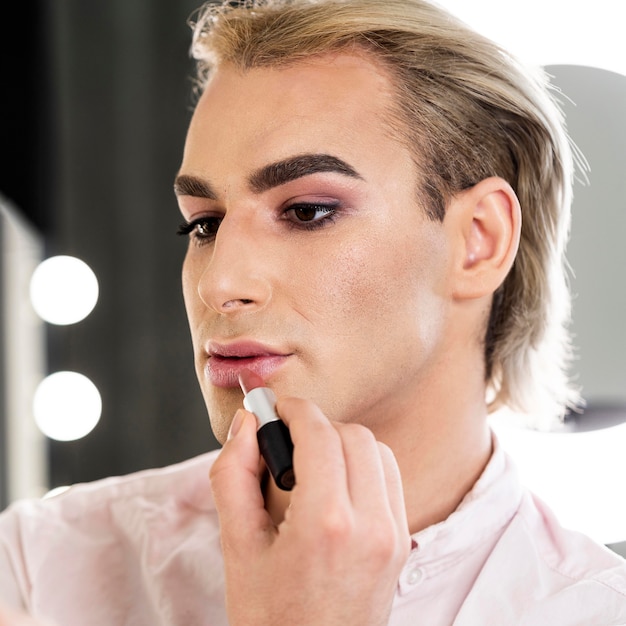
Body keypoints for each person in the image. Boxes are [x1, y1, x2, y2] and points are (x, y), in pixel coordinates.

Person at [2, 0, 626, 624]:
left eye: (307, 211)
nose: (220, 284)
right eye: (203, 224)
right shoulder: (42, 570)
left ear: (479, 240)